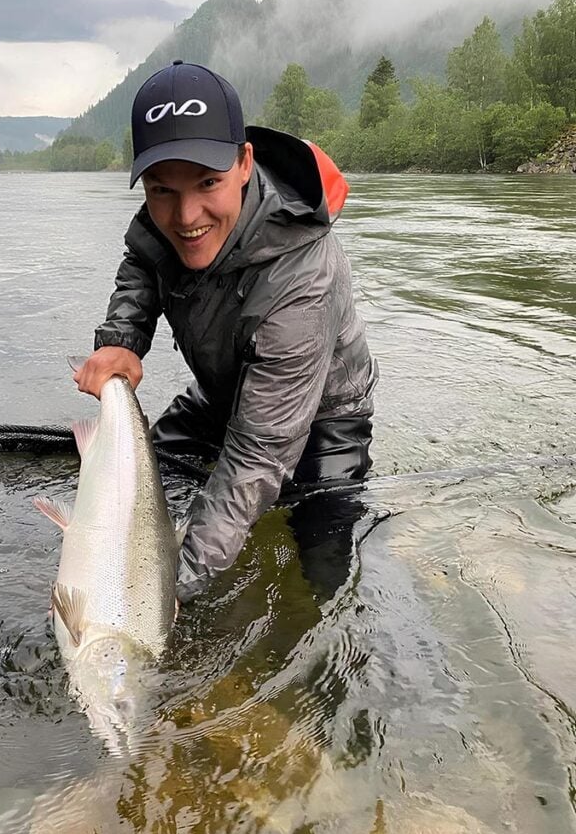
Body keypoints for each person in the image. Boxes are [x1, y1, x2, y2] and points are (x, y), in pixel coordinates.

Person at [74, 60, 378, 604]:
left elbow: (255, 456)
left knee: (321, 576)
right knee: (150, 483)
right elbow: (143, 260)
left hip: (323, 421)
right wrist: (122, 339)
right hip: (219, 394)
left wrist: (159, 598)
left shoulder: (303, 277)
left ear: (244, 163)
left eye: (208, 183)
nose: (186, 215)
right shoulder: (161, 215)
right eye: (162, 190)